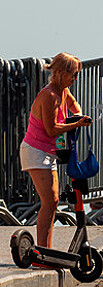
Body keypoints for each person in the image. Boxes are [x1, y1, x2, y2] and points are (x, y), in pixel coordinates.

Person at [19, 52, 92, 248]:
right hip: (36, 150)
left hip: (48, 152)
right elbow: (51, 129)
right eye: (73, 74)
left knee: (53, 201)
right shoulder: (49, 95)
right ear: (60, 73)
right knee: (49, 201)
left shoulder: (64, 91)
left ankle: (46, 248)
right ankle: (42, 249)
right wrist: (76, 124)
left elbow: (73, 105)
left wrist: (78, 114)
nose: (75, 79)